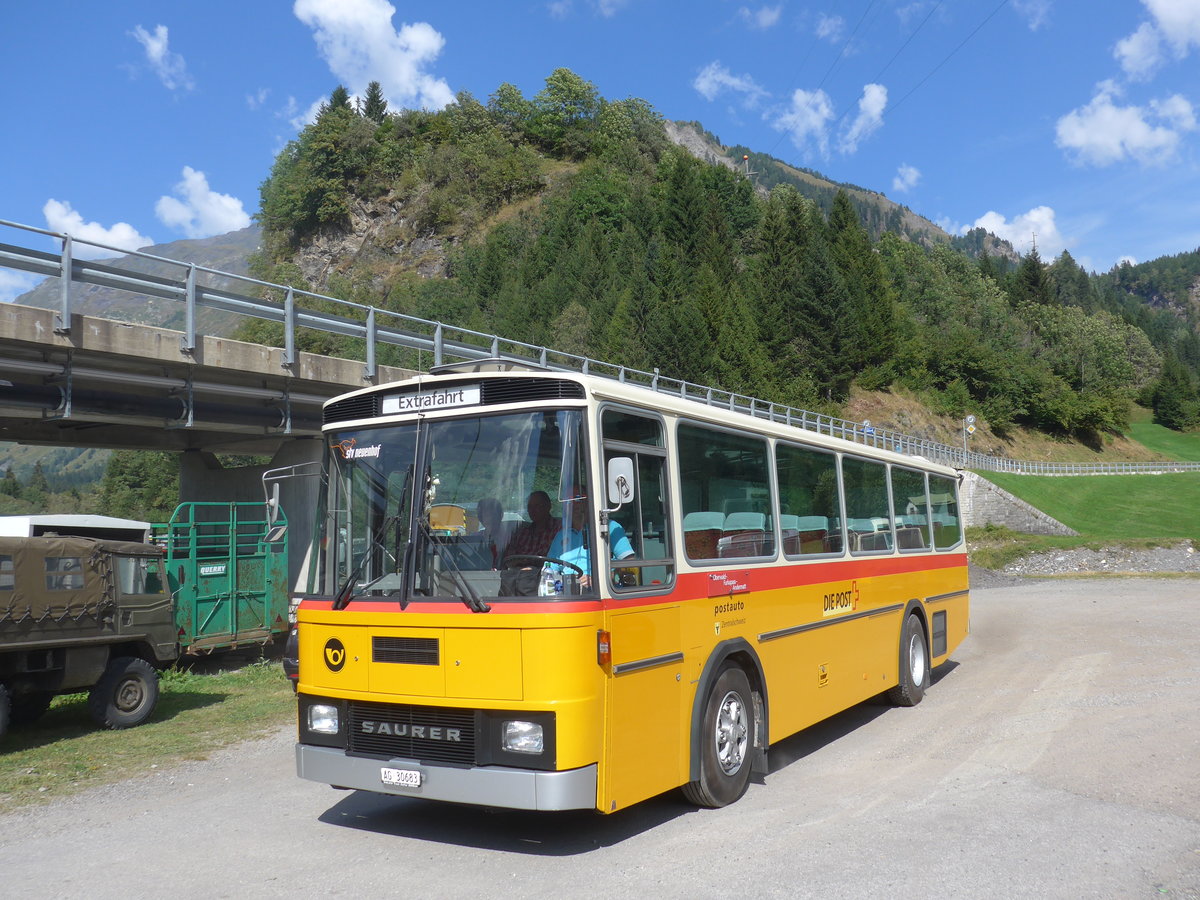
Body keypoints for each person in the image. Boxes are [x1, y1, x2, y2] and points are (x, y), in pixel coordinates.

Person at [547, 488, 635, 589]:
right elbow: (550, 569)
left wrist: (599, 580)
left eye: (578, 499)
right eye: (568, 500)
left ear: (590, 501)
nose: (573, 504)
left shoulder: (610, 527)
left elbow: (629, 563)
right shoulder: (560, 535)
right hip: (567, 594)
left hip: (601, 593)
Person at [474, 498, 512, 570]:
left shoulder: (510, 538)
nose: (490, 519)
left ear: (500, 516)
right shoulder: (474, 539)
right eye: (486, 515)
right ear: (480, 517)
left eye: (493, 514)